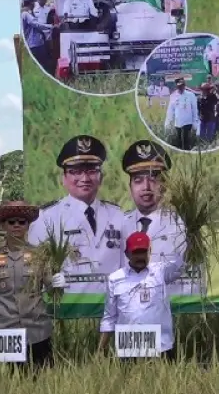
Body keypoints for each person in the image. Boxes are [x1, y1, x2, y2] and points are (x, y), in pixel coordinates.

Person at [29, 134, 125, 294]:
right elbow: (33, 269)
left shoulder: (117, 215)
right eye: (76, 171)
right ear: (64, 178)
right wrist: (48, 279)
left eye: (92, 170)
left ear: (101, 177)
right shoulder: (47, 218)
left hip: (112, 309)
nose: (85, 178)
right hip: (68, 309)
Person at [0, 200, 66, 370]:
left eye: (22, 222)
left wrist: (58, 284)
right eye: (11, 222)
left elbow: (52, 291)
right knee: (8, 385)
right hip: (5, 330)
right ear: (3, 225)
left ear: (28, 226)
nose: (16, 225)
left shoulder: (40, 255)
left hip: (37, 330)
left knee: (42, 384)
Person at [120, 139, 201, 296]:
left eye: (153, 179)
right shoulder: (120, 225)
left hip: (169, 310)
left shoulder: (183, 226)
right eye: (138, 180)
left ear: (165, 184)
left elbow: (195, 280)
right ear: (130, 186)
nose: (146, 187)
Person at [100, 232, 186, 361]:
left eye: (143, 252)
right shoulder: (115, 278)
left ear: (150, 251)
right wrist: (100, 350)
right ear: (127, 254)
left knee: (163, 381)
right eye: (136, 253)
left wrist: (193, 236)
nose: (140, 257)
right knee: (130, 381)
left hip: (160, 344)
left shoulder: (161, 272)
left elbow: (185, 261)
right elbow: (109, 318)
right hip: (129, 344)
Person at [165, 77, 200, 151]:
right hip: (178, 122)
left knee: (185, 139)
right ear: (176, 86)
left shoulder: (190, 95)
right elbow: (170, 110)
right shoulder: (173, 96)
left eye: (183, 85)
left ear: (185, 85)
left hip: (188, 121)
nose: (181, 87)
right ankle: (181, 154)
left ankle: (187, 153)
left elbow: (194, 109)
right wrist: (167, 122)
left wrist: (195, 122)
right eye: (179, 86)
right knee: (179, 140)